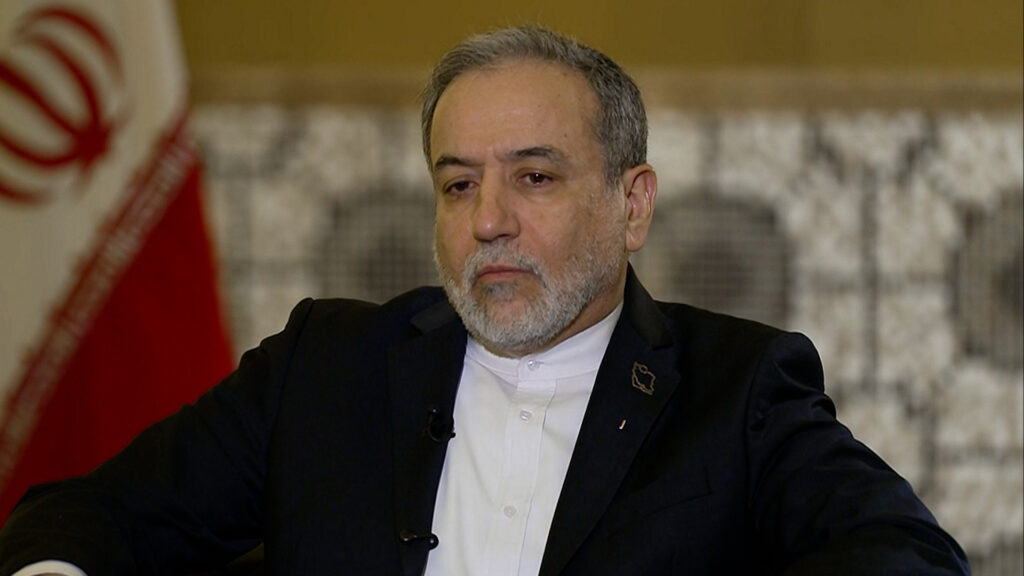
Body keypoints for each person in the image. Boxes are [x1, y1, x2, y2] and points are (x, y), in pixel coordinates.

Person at [0, 25, 969, 576]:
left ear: (631, 205)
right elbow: (81, 518)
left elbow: (902, 556)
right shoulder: (323, 366)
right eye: (458, 183)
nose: (489, 220)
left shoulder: (737, 388)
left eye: (534, 178)